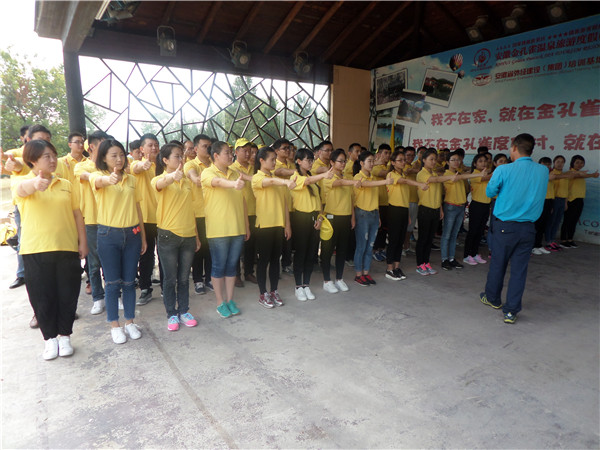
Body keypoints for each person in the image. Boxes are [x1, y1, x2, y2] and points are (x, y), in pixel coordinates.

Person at [14, 139, 88, 359]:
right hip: (35, 250)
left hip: (66, 248)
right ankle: (50, 339)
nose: (53, 160)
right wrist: (35, 184)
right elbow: (22, 190)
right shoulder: (23, 181)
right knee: (41, 297)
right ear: (32, 160)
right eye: (47, 156)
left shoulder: (66, 184)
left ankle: (65, 336)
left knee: (68, 294)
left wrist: (83, 242)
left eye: (54, 155)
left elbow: (77, 214)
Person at [479, 133, 549, 324]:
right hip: (528, 228)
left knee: (498, 264)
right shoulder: (543, 171)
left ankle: (493, 298)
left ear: (515, 148)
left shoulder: (504, 169)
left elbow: (490, 191)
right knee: (519, 270)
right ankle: (511, 311)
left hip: (505, 226)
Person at [90, 139, 147, 343]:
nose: (119, 159)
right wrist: (110, 179)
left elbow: (138, 208)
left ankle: (129, 322)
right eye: (113, 155)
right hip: (108, 235)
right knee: (113, 283)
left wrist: (143, 236)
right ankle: (114, 325)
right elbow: (99, 182)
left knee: (130, 282)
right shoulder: (97, 176)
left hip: (132, 234)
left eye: (121, 155)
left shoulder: (131, 180)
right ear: (104, 158)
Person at [152, 143, 200, 331]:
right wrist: (172, 176)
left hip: (188, 235)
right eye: (177, 156)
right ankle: (172, 313)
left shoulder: (186, 182)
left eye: (182, 156)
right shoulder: (158, 179)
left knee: (184, 278)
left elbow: (191, 210)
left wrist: (196, 235)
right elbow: (160, 184)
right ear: (165, 160)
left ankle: (184, 311)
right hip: (168, 235)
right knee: (170, 279)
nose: (181, 159)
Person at [201, 141, 249, 318]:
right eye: (227, 153)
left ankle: (230, 300)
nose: (231, 156)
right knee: (219, 266)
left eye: (231, 153)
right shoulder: (208, 172)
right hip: (218, 230)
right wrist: (233, 184)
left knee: (231, 267)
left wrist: (246, 226)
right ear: (216, 156)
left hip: (237, 228)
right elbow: (218, 182)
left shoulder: (235, 173)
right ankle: (220, 302)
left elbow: (242, 202)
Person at [252, 146, 296, 308]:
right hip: (264, 226)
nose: (274, 162)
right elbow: (269, 182)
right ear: (261, 160)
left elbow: (284, 204)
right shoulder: (257, 178)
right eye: (272, 159)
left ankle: (274, 291)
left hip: (279, 225)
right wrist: (285, 181)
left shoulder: (276, 180)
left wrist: (287, 225)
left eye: (274, 159)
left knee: (275, 260)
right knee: (263, 261)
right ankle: (263, 293)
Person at [74, 130, 109, 314]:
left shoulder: (109, 165)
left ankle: (114, 295)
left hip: (110, 220)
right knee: (94, 264)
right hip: (92, 221)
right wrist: (104, 178)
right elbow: (86, 177)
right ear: (92, 147)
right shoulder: (81, 166)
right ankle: (98, 297)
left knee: (111, 262)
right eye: (103, 144)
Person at [290, 148, 332, 298]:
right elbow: (306, 181)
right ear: (298, 161)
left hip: (314, 218)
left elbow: (319, 201)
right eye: (307, 160)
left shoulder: (312, 179)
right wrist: (324, 175)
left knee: (311, 253)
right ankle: (298, 286)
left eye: (311, 160)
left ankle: (306, 285)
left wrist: (320, 218)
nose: (310, 163)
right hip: (301, 218)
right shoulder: (295, 177)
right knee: (300, 253)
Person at [415, 149, 462, 275]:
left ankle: (426, 263)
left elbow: (438, 193)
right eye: (431, 159)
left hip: (435, 210)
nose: (434, 161)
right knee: (423, 239)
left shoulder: (435, 174)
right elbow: (434, 180)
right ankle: (420, 264)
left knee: (430, 239)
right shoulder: (421, 174)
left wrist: (440, 209)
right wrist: (450, 177)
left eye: (435, 159)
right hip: (425, 210)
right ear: (424, 160)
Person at [439, 151, 487, 271]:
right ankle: (444, 259)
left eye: (458, 160)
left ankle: (451, 258)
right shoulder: (447, 174)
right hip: (451, 207)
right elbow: (460, 177)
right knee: (447, 234)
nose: (456, 162)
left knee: (454, 235)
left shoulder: (459, 174)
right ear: (447, 162)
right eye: (453, 160)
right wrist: (478, 174)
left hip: (460, 207)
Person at [385, 150, 429, 280]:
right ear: (393, 162)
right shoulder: (391, 175)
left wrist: (408, 214)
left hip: (404, 210)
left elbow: (405, 196)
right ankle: (389, 269)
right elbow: (404, 182)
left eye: (404, 160)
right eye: (400, 160)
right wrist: (419, 184)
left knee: (400, 240)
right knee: (393, 240)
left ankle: (397, 267)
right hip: (394, 210)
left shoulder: (403, 174)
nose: (403, 162)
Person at [321, 149, 360, 293]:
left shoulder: (347, 177)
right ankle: (326, 280)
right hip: (331, 218)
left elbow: (350, 199)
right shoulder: (328, 177)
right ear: (332, 162)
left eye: (344, 161)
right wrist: (354, 182)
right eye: (340, 161)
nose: (343, 164)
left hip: (345, 217)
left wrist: (352, 217)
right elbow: (339, 183)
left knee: (342, 250)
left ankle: (339, 278)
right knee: (327, 251)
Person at [352, 151, 393, 286]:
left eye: (373, 161)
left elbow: (375, 199)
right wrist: (385, 181)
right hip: (362, 215)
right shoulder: (358, 177)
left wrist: (378, 216)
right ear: (361, 163)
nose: (371, 164)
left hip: (374, 214)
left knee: (370, 246)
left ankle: (366, 273)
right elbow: (366, 185)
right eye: (369, 161)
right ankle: (358, 275)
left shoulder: (373, 179)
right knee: (361, 246)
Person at [131, 133, 162, 305]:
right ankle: (145, 288)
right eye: (150, 145)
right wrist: (144, 164)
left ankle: (166, 286)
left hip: (165, 216)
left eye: (156, 144)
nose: (154, 148)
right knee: (146, 254)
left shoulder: (163, 165)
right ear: (142, 149)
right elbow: (136, 168)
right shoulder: (137, 164)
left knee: (164, 254)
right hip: (147, 217)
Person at [184, 134, 213, 294]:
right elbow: (195, 179)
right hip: (197, 213)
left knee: (210, 248)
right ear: (195, 149)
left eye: (210, 146)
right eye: (204, 146)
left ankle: (209, 278)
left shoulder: (214, 164)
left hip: (213, 212)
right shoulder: (191, 164)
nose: (208, 149)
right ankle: (197, 280)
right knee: (198, 248)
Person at [231, 138, 258, 286]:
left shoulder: (254, 167)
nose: (247, 154)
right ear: (236, 152)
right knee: (237, 245)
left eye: (249, 151)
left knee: (251, 245)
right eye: (244, 150)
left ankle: (248, 272)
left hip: (254, 211)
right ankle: (235, 274)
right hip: (238, 212)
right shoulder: (232, 168)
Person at [560, 155, 599, 248]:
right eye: (577, 162)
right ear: (572, 163)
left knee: (574, 221)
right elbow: (577, 176)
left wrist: (589, 175)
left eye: (581, 163)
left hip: (579, 200)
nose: (579, 164)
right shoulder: (570, 172)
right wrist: (592, 175)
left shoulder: (581, 173)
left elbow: (581, 175)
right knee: (567, 221)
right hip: (570, 200)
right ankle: (563, 240)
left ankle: (570, 239)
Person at [463, 154, 492, 265]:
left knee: (480, 231)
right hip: (477, 206)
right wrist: (498, 170)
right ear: (475, 164)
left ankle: (474, 253)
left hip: (486, 205)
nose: (483, 163)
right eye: (480, 161)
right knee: (473, 231)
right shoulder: (474, 174)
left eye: (485, 161)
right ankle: (467, 255)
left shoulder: (487, 174)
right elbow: (485, 178)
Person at [272, 138, 295, 275]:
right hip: (280, 207)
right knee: (279, 239)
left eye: (289, 148)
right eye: (285, 148)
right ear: (276, 151)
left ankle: (287, 264)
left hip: (293, 206)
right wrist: (298, 171)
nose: (288, 150)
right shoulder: (274, 164)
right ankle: (276, 266)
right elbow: (280, 172)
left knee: (289, 239)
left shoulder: (291, 164)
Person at [372, 144, 392, 262]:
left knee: (384, 228)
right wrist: (393, 165)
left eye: (389, 153)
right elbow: (385, 174)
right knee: (378, 228)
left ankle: (381, 249)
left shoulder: (387, 166)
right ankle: (374, 250)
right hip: (377, 202)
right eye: (385, 153)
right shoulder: (375, 167)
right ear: (379, 154)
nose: (388, 156)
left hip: (387, 202)